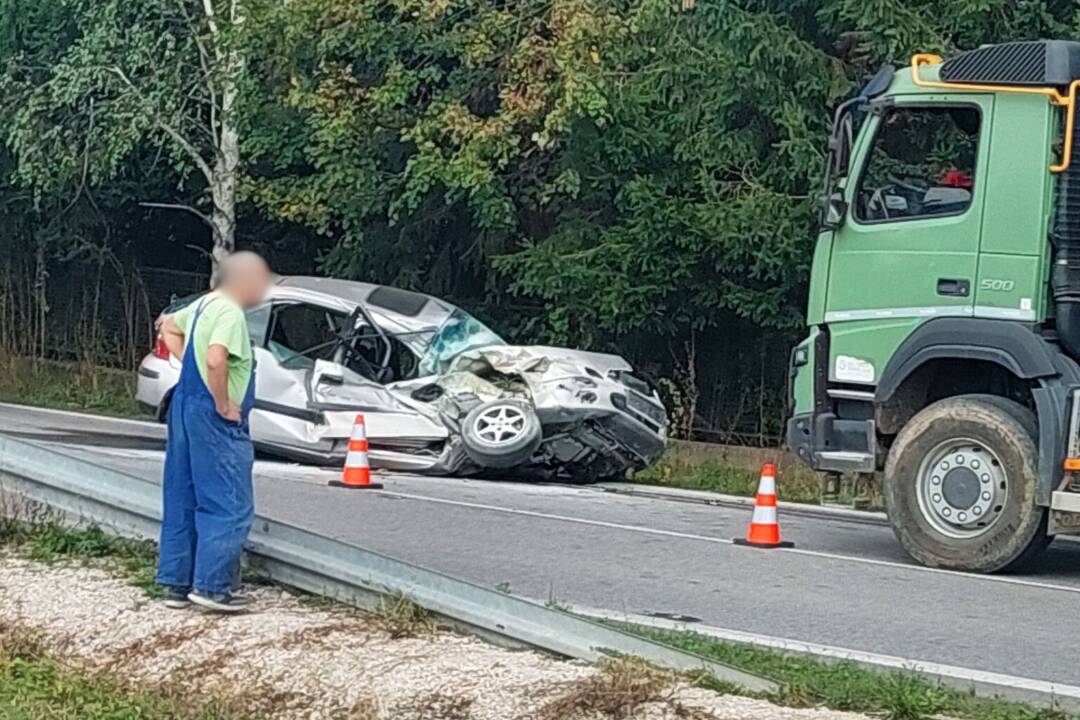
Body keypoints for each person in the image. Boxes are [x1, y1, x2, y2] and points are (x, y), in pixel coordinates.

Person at [155, 251, 272, 613]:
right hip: (214, 416)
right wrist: (222, 402)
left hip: (185, 408)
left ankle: (177, 583)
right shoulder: (230, 313)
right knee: (228, 503)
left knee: (183, 495)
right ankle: (212, 587)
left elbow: (167, 326)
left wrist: (188, 369)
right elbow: (216, 358)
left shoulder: (204, 305)